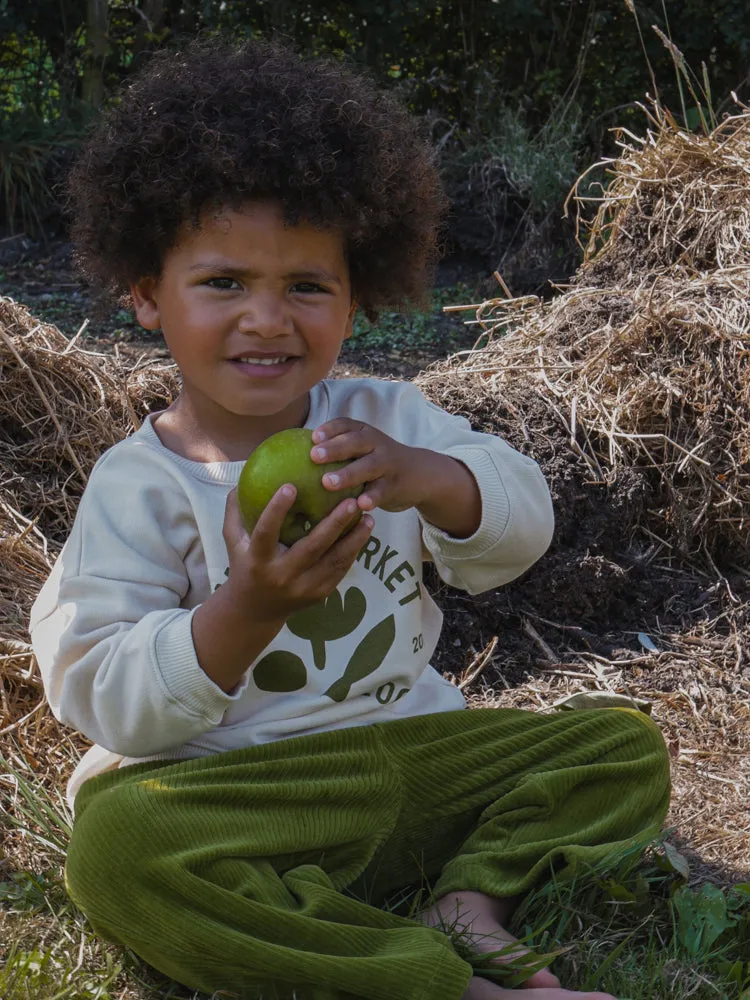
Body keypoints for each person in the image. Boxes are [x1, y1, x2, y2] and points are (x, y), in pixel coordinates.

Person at [30, 37, 670, 1000]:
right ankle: (423, 978)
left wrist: (427, 478)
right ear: (145, 294)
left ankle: (468, 901)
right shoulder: (141, 486)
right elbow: (95, 687)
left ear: (357, 294)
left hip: (411, 756)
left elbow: (522, 519)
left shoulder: (385, 423)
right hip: (241, 793)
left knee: (619, 744)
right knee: (118, 850)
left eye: (307, 285)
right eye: (223, 283)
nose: (266, 318)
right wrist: (241, 612)